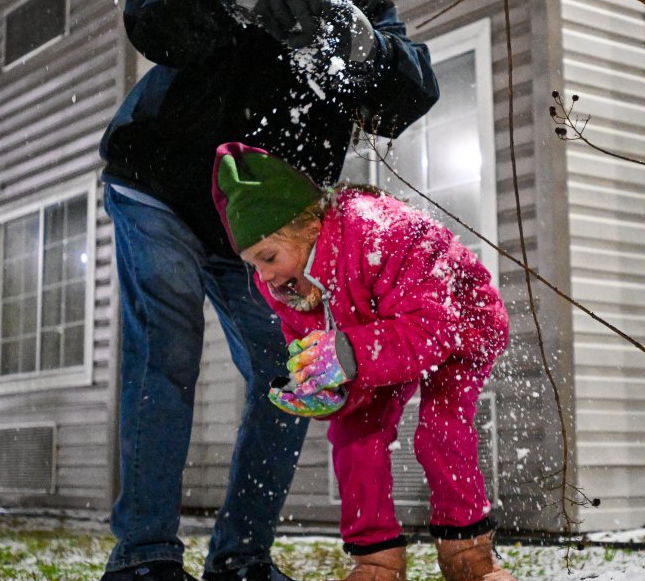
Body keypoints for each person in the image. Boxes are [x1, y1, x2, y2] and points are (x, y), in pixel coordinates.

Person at [97, 0, 439, 578]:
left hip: (256, 233)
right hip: (160, 187)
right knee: (166, 349)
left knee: (294, 372)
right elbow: (148, 15)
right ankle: (144, 555)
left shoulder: (364, 12)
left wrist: (367, 49)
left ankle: (241, 555)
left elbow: (410, 87)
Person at [211, 143, 515, 581]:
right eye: (252, 265)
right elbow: (313, 345)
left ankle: (469, 554)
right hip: (372, 335)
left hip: (459, 325)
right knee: (354, 434)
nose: (264, 277)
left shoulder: (381, 230)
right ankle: (376, 559)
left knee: (439, 430)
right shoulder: (283, 286)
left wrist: (347, 353)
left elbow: (433, 328)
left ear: (307, 226)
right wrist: (322, 389)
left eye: (268, 258)